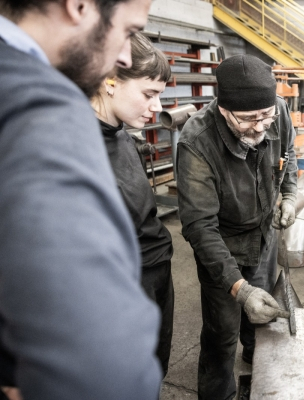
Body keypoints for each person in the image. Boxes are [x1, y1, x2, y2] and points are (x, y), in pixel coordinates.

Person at [0, 1, 162, 400]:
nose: (123, 56)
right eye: (127, 31)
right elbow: (101, 366)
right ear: (79, 6)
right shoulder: (40, 106)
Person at [177, 54, 297, 400]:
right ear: (223, 110)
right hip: (222, 242)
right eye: (247, 120)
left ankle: (253, 352)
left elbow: (286, 152)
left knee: (262, 318)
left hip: (264, 233)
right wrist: (239, 289)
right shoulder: (197, 141)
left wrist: (288, 196)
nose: (259, 128)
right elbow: (200, 226)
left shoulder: (277, 111)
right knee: (222, 332)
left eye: (265, 117)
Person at [91, 32, 175, 377]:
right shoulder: (80, 147)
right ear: (111, 80)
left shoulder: (123, 135)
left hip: (155, 272)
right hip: (123, 288)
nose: (157, 106)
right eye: (149, 94)